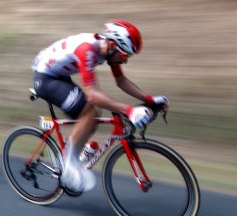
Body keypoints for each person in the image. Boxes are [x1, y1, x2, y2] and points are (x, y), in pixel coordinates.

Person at [32, 20, 169, 192]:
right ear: (112, 44)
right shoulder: (87, 49)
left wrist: (148, 99)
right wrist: (129, 110)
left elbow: (121, 81)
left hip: (59, 75)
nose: (124, 61)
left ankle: (75, 148)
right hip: (45, 79)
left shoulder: (109, 49)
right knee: (89, 110)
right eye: (125, 56)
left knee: (95, 112)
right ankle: (69, 162)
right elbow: (93, 95)